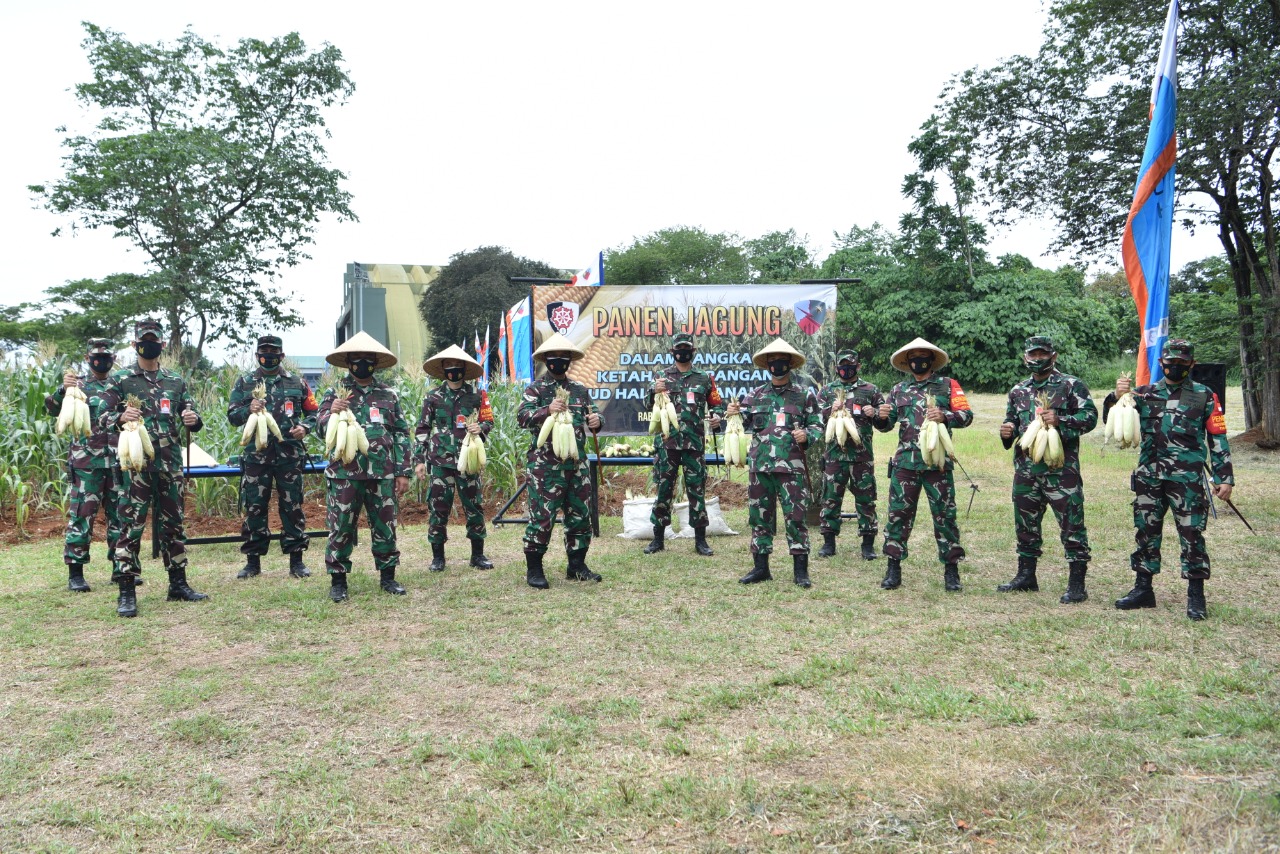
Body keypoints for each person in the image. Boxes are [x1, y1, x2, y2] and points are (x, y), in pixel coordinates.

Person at [1113, 339, 1233, 620]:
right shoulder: (1144, 394)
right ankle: (1143, 589)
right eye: (1170, 362)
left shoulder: (1205, 395)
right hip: (1149, 477)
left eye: (1181, 362)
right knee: (1145, 532)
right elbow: (1118, 416)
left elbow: (1218, 438)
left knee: (1192, 535)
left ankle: (1195, 596)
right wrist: (1116, 395)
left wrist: (1223, 476)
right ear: (1160, 363)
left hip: (1187, 479)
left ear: (1191, 364)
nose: (1174, 366)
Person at [100, 319, 206, 618]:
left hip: (169, 464)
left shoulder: (175, 380)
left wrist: (193, 420)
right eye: (144, 340)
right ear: (135, 345)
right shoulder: (120, 380)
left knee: (173, 525)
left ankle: (178, 584)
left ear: (162, 344)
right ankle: (126, 590)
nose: (150, 344)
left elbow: (191, 413)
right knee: (131, 526)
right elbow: (101, 417)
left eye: (155, 340)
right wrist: (120, 416)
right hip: (135, 466)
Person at [997, 336, 1098, 602]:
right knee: (1025, 524)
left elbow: (1090, 418)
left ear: (1053, 357)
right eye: (1033, 355)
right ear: (1025, 357)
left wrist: (1060, 419)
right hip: (1026, 470)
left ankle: (1077, 583)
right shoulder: (1018, 390)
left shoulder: (1070, 385)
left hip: (1061, 471)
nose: (1037, 359)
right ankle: (1026, 576)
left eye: (1043, 355)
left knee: (1071, 524)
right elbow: (1013, 421)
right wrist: (1006, 431)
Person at [316, 332, 413, 602]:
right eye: (357, 360)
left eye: (367, 360)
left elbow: (402, 434)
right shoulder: (334, 394)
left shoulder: (388, 395)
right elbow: (319, 427)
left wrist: (403, 471)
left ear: (375, 363)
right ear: (348, 363)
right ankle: (338, 581)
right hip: (345, 473)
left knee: (385, 526)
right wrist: (331, 412)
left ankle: (388, 577)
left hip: (381, 472)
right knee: (341, 525)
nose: (362, 364)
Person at [875, 337, 972, 592]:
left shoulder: (949, 386)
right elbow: (886, 425)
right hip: (905, 463)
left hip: (937, 463)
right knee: (898, 516)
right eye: (913, 357)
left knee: (945, 517)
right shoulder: (898, 390)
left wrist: (946, 415)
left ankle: (951, 571)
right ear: (907, 362)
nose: (918, 361)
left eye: (923, 357)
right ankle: (893, 568)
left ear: (931, 360)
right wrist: (880, 418)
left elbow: (966, 416)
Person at [725, 338, 823, 588]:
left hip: (792, 468)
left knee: (796, 517)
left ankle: (800, 571)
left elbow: (817, 425)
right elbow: (742, 421)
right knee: (760, 518)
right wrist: (730, 414)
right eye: (772, 361)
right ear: (767, 365)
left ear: (789, 364)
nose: (777, 365)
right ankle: (761, 568)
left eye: (781, 361)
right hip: (761, 467)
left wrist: (807, 435)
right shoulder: (755, 395)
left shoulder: (804, 395)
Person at [227, 335, 319, 580]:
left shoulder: (297, 382)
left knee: (292, 507)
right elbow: (233, 416)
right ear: (257, 355)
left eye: (273, 351)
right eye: (264, 351)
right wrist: (249, 409)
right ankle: (253, 561)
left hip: (289, 455)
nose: (268, 355)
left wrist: (305, 428)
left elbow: (315, 413)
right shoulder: (245, 382)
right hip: (256, 457)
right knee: (255, 507)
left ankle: (296, 560)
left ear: (282, 355)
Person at [516, 332, 603, 589]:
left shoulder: (579, 390)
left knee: (580, 516)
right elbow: (522, 417)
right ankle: (534, 569)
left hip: (576, 465)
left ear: (569, 361)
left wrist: (597, 421)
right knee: (543, 517)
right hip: (546, 467)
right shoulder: (535, 389)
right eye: (553, 358)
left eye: (563, 358)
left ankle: (576, 565)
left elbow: (594, 416)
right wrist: (547, 410)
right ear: (546, 360)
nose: (558, 362)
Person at [45, 338, 122, 592]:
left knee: (119, 518)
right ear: (89, 359)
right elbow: (53, 409)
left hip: (117, 461)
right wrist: (61, 390)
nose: (102, 360)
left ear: (112, 358)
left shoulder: (119, 384)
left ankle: (120, 569)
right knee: (82, 517)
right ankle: (76, 573)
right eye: (97, 356)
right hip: (86, 462)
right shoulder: (76, 384)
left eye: (106, 355)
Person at [642, 332, 725, 556]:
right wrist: (653, 390)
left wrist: (717, 417)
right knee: (663, 490)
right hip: (666, 444)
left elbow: (717, 404)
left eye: (686, 348)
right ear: (672, 352)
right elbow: (646, 403)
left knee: (697, 491)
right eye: (679, 348)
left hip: (694, 443)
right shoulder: (661, 377)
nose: (682, 352)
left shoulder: (704, 378)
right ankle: (657, 539)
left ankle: (700, 541)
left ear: (693, 352)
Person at [415, 345, 494, 572]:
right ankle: (438, 557)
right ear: (443, 370)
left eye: (457, 367)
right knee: (438, 508)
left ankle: (477, 555)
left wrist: (482, 427)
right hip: (440, 462)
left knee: (474, 507)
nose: (453, 370)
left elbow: (489, 420)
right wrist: (420, 460)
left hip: (468, 460)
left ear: (464, 369)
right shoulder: (433, 397)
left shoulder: (477, 395)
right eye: (449, 367)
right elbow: (422, 428)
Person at [816, 349, 885, 561]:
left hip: (861, 457)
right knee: (830, 499)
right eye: (842, 365)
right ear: (836, 367)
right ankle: (829, 543)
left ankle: (867, 543)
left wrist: (876, 414)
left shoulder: (870, 390)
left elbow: (885, 424)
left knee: (866, 501)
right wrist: (830, 409)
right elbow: (814, 420)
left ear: (858, 365)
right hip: (834, 456)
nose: (846, 368)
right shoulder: (827, 391)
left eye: (850, 364)